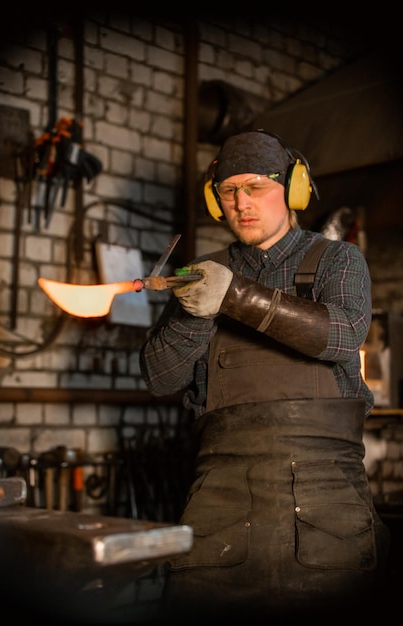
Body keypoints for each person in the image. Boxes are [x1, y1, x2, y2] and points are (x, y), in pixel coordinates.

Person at [139, 131, 390, 624]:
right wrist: (196, 311)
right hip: (221, 494)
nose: (241, 202)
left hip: (326, 496)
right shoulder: (203, 271)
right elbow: (160, 378)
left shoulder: (337, 261)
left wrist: (235, 298)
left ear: (294, 190)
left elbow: (341, 336)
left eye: (255, 186)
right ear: (216, 200)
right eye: (228, 191)